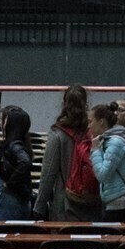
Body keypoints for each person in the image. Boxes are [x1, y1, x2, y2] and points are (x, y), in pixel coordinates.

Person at [40, 88, 98, 223]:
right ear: (85, 103)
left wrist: (39, 207)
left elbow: (48, 174)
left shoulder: (57, 134)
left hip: (64, 203)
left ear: (64, 103)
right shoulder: (94, 131)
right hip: (92, 202)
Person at [0, 104, 37, 221]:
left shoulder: (14, 145)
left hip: (9, 203)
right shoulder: (16, 145)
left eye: (3, 120)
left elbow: (25, 162)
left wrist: (10, 183)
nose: (0, 123)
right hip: (9, 201)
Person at [89, 101, 125, 218]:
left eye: (90, 122)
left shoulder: (115, 143)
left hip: (120, 202)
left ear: (101, 122)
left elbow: (103, 175)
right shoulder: (106, 140)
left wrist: (95, 150)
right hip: (112, 198)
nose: (88, 126)